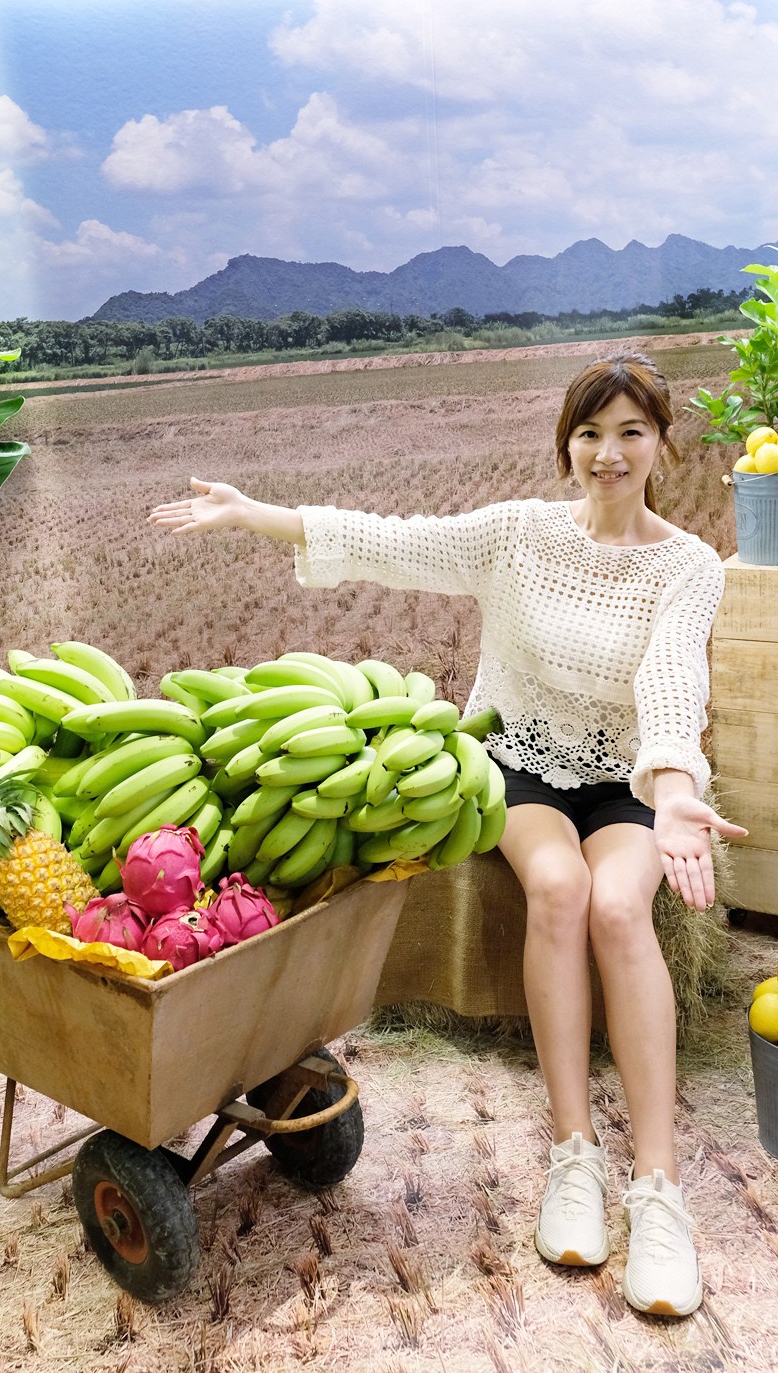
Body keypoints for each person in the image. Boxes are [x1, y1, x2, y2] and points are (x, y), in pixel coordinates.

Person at [148, 352, 747, 1317]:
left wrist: (674, 787)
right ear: (567, 445)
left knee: (621, 909)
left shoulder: (682, 565)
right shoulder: (517, 535)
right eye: (591, 432)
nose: (609, 452)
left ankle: (659, 1191)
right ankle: (573, 1158)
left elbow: (674, 684)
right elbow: (398, 543)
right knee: (558, 891)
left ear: (661, 446)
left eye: (632, 431)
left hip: (629, 777)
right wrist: (255, 513)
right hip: (519, 761)